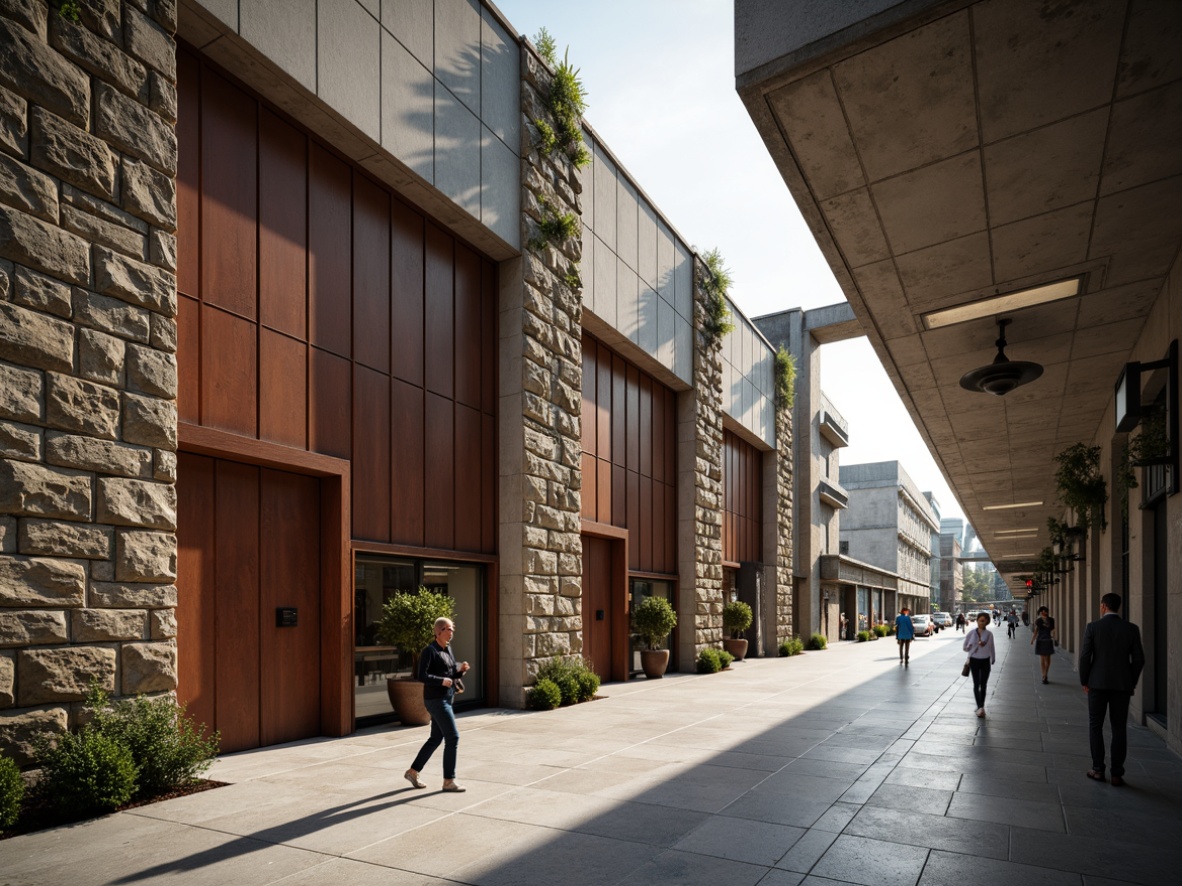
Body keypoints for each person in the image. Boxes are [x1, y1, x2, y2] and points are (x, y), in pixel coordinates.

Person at [1080, 593, 1145, 786]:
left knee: (1095, 725)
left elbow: (1085, 657)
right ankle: (1117, 773)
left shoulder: (1093, 627)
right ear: (1118, 607)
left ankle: (1098, 769)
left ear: (1103, 606)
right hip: (1121, 686)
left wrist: (1085, 681)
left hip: (1097, 684)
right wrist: (1130, 682)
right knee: (1119, 728)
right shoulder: (1131, 629)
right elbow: (1139, 659)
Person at [405, 618, 470, 793]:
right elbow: (422, 676)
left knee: (436, 738)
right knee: (453, 737)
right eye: (449, 629)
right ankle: (448, 781)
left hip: (447, 698)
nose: (451, 632)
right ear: (439, 631)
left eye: (452, 629)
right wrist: (442, 681)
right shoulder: (429, 651)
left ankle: (413, 771)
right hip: (435, 700)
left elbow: (450, 675)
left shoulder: (448, 649)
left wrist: (460, 671)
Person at [963, 612, 996, 717]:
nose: (983, 622)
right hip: (974, 661)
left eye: (985, 620)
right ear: (977, 621)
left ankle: (981, 705)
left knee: (984, 684)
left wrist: (993, 658)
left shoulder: (989, 634)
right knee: (976, 684)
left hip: (985, 661)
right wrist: (971, 645)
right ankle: (980, 707)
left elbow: (992, 647)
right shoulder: (971, 633)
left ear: (987, 622)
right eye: (981, 620)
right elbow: (965, 648)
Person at [1031, 605, 1056, 683]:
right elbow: (1036, 631)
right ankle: (1044, 675)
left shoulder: (1051, 620)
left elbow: (1053, 630)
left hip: (1048, 640)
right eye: (1043, 611)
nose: (1045, 612)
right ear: (1041, 612)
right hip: (1041, 640)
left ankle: (1045, 673)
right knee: (1042, 658)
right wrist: (1033, 639)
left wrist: (1055, 637)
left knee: (1048, 659)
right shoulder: (1038, 621)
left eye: (1046, 611)